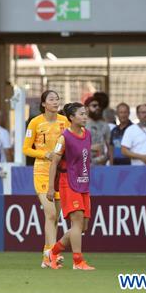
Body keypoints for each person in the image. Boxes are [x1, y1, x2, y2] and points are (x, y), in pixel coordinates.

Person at [22, 89, 69, 268]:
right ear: (43, 104)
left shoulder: (65, 122)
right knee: (49, 213)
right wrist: (45, 154)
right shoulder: (35, 123)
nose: (56, 102)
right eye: (51, 99)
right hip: (42, 171)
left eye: (57, 99)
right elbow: (26, 149)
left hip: (60, 173)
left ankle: (47, 256)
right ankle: (52, 254)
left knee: (55, 217)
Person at [46, 102, 95, 270]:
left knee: (83, 226)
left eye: (85, 114)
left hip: (84, 182)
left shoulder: (87, 134)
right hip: (68, 182)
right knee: (76, 222)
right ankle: (78, 261)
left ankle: (52, 253)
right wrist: (51, 188)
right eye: (81, 114)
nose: (85, 117)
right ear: (71, 118)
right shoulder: (64, 137)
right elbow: (54, 163)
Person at [86, 95, 112, 166]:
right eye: (94, 106)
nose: (97, 108)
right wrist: (91, 147)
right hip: (83, 165)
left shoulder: (105, 125)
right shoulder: (80, 125)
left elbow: (109, 146)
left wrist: (111, 165)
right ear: (86, 108)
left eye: (98, 106)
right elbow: (74, 146)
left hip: (101, 164)